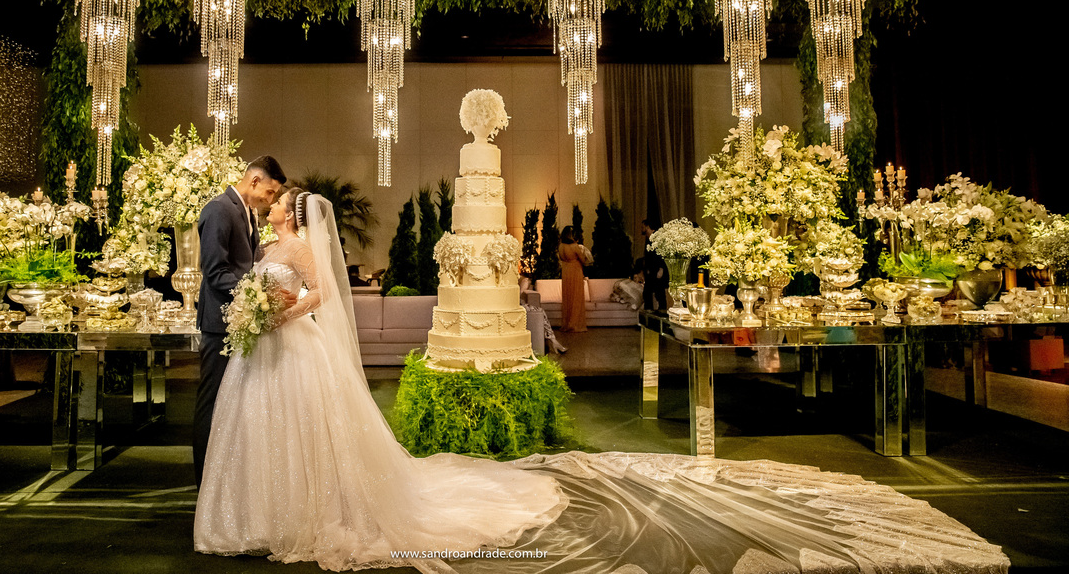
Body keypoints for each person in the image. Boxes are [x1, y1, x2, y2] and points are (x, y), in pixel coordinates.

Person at [194, 193, 1007, 573]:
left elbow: (316, 295)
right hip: (276, 354)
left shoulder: (299, 248)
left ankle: (303, 508)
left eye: (275, 207)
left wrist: (283, 311)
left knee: (307, 432)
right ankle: (273, 508)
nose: (267, 213)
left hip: (291, 345)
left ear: (294, 220)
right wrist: (262, 314)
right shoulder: (277, 243)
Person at [193, 154, 287, 488]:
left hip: (240, 321)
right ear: (255, 180)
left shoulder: (247, 213)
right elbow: (216, 271)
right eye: (271, 192)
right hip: (219, 323)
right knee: (213, 400)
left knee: (231, 402)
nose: (270, 200)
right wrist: (258, 296)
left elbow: (248, 263)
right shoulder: (219, 209)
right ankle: (204, 478)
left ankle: (225, 477)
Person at [557, 226, 588, 332]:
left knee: (567, 297)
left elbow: (561, 258)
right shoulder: (575, 246)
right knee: (576, 297)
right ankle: (575, 324)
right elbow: (583, 260)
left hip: (565, 272)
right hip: (575, 271)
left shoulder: (561, 246)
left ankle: (566, 323)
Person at [640, 218, 667, 313]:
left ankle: (662, 309)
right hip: (650, 270)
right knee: (648, 291)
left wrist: (661, 268)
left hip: (656, 269)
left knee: (658, 290)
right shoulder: (648, 240)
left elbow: (661, 255)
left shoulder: (657, 240)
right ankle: (649, 309)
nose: (642, 229)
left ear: (648, 227)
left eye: (643, 227)